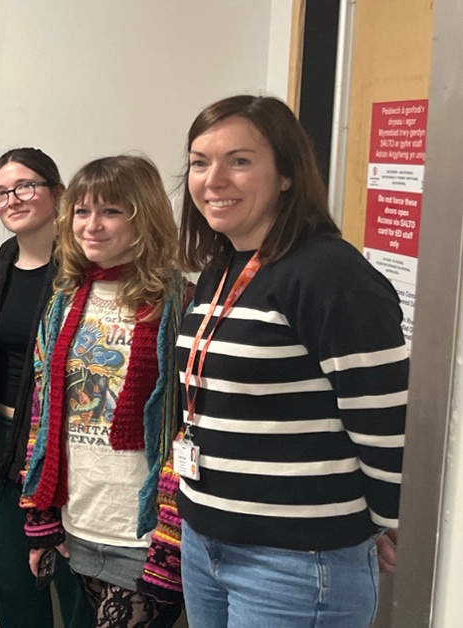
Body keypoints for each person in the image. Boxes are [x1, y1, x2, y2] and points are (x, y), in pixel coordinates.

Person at [174, 95, 406, 627]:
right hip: (207, 542)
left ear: (285, 174)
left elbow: (384, 415)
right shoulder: (223, 266)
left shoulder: (328, 273)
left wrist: (385, 521)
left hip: (296, 561)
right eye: (200, 162)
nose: (215, 179)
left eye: (240, 160)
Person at [18, 155, 187, 628]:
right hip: (82, 518)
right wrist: (41, 519)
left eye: (111, 211)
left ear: (144, 217)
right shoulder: (64, 299)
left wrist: (171, 537)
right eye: (82, 211)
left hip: (145, 528)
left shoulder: (180, 302)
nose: (91, 226)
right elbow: (42, 415)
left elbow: (189, 425)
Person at [0, 147, 92, 628]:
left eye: (25, 186)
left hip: (69, 455)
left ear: (57, 193)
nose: (13, 198)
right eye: (1, 192)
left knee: (81, 586)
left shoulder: (85, 274)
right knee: (11, 586)